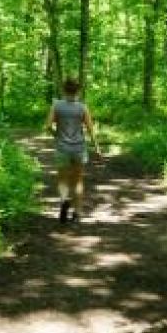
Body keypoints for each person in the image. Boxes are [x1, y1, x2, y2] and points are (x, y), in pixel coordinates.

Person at [44, 77, 102, 223]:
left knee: (63, 180)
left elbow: (48, 126)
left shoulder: (56, 105)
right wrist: (97, 148)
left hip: (62, 148)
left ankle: (64, 201)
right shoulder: (83, 107)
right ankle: (77, 213)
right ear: (78, 91)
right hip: (79, 148)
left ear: (64, 89)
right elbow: (90, 129)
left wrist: (56, 135)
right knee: (77, 181)